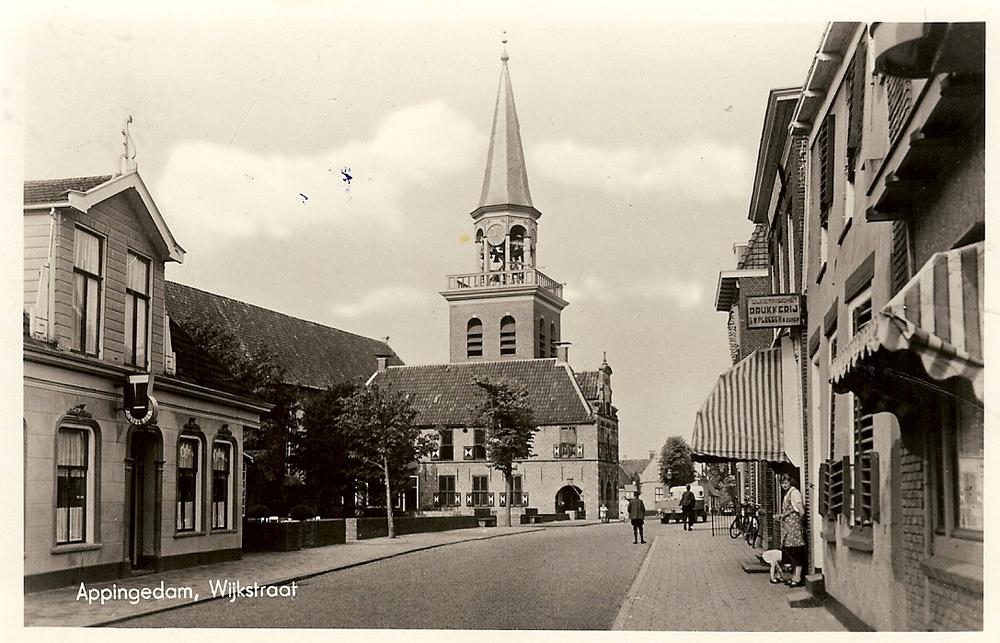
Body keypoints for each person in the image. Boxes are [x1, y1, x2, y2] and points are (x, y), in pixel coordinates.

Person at [777, 472, 806, 587]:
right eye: (782, 483)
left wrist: (798, 524)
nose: (784, 485)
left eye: (786, 482)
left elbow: (801, 510)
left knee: (796, 551)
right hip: (789, 528)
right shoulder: (788, 493)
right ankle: (794, 575)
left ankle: (798, 577)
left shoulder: (794, 493)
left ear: (790, 482)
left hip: (793, 527)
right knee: (790, 551)